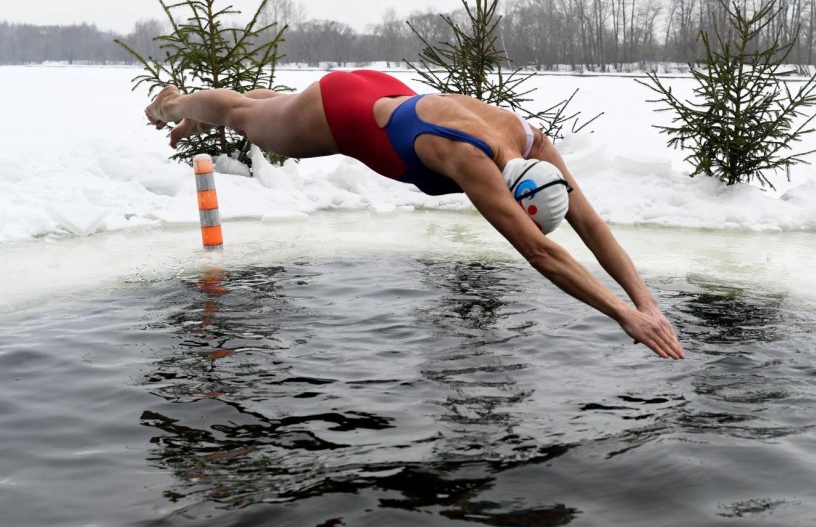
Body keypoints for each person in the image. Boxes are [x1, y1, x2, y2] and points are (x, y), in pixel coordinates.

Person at [144, 70, 684, 359]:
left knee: (265, 108)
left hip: (384, 92)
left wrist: (646, 300)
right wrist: (624, 316)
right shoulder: (470, 160)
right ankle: (172, 104)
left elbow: (589, 225)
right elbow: (540, 250)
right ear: (510, 193)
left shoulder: (532, 144)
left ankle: (237, 107)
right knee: (245, 116)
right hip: (341, 112)